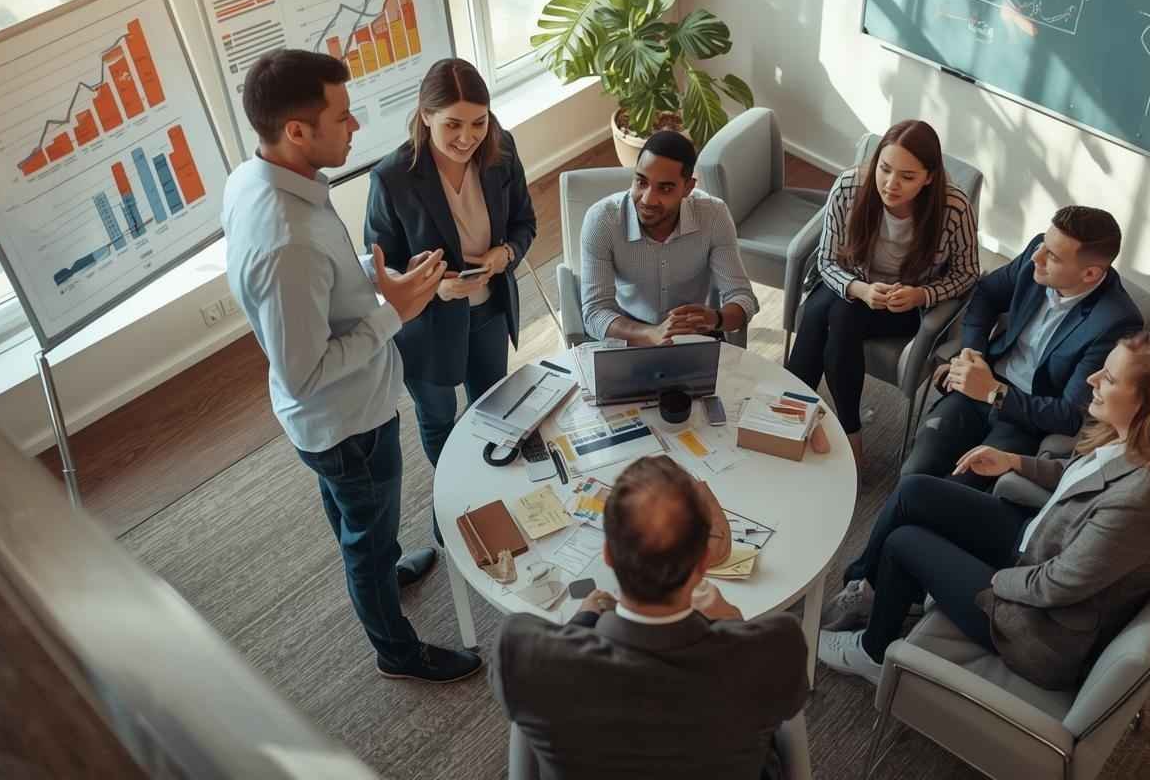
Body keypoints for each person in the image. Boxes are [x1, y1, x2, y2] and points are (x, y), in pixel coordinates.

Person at [222, 48, 480, 683]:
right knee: (366, 532)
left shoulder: (259, 178)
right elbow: (305, 372)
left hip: (338, 415)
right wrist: (395, 313)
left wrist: (377, 278)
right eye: (342, 116)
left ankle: (383, 568)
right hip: (347, 423)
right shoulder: (287, 243)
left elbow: (323, 290)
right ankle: (397, 651)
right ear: (296, 130)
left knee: (357, 520)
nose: (356, 124)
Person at [818, 333, 1150, 691]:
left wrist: (985, 577)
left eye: (1108, 378)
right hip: (1037, 543)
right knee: (914, 491)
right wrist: (1013, 461)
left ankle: (873, 652)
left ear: (1148, 405)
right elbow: (1080, 477)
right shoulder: (1137, 443)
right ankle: (870, 589)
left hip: (1037, 627)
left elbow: (1055, 586)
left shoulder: (1139, 502)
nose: (1092, 380)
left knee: (905, 543)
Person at [492, 456, 809, 779]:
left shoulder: (525, 657)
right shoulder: (777, 648)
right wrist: (730, 623)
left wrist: (585, 619)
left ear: (608, 554)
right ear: (702, 563)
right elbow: (783, 701)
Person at [364, 58, 537, 482]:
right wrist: (433, 288)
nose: (467, 138)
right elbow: (382, 268)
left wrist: (505, 254)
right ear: (426, 116)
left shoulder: (501, 150)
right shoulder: (392, 178)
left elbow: (524, 222)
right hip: (428, 324)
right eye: (453, 124)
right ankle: (455, 491)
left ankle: (489, 485)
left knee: (492, 407)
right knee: (439, 417)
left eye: (479, 122)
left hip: (489, 310)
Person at [901, 206, 1145, 490]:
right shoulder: (1037, 256)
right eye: (1043, 245)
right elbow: (986, 294)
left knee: (955, 488)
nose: (1036, 257)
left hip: (1027, 417)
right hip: (981, 384)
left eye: (1052, 256)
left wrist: (994, 392)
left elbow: (1069, 414)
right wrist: (973, 353)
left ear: (1090, 274)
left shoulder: (1115, 322)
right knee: (915, 471)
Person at [785, 119, 979, 467]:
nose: (890, 184)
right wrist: (860, 289)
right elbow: (826, 260)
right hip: (853, 287)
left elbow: (967, 273)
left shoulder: (954, 207)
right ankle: (840, 429)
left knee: (824, 313)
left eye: (907, 176)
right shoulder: (850, 187)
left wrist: (922, 295)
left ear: (929, 177)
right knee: (834, 313)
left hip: (905, 306)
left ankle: (788, 416)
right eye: (885, 169)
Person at [579, 130, 759, 346]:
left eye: (665, 188)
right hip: (627, 333)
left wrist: (715, 318)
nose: (648, 199)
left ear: (688, 188)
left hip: (694, 332)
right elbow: (595, 313)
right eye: (641, 182)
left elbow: (743, 298)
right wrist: (651, 334)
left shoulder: (714, 215)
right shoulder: (602, 220)